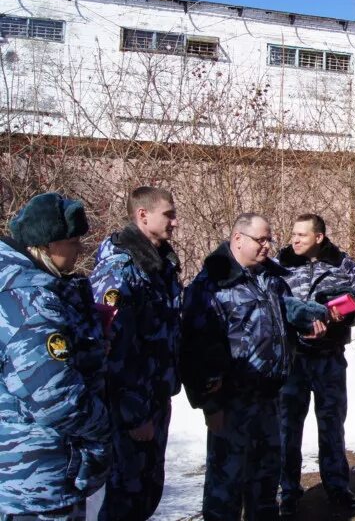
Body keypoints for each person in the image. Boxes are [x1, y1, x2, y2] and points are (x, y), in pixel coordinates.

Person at [180, 213, 331, 521]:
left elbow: (282, 319)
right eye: (260, 240)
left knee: (265, 488)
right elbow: (196, 350)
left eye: (269, 240)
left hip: (269, 399)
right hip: (232, 404)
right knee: (226, 491)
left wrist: (305, 327)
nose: (267, 246)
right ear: (238, 239)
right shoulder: (212, 285)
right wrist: (210, 404)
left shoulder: (271, 278)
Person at [0, 193, 110, 520]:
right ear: (51, 244)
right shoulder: (29, 295)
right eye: (74, 241)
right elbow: (56, 395)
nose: (80, 249)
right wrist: (104, 427)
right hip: (35, 479)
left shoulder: (30, 284)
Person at [89, 186, 181, 521]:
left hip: (155, 395)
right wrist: (133, 413)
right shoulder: (120, 268)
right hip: (133, 404)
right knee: (126, 496)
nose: (175, 221)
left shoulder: (160, 264)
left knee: (148, 490)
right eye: (168, 214)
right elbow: (112, 346)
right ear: (143, 216)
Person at [276, 214, 355, 517]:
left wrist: (341, 315)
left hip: (328, 359)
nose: (295, 240)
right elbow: (270, 304)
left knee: (331, 426)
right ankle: (289, 491)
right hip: (293, 359)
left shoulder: (343, 264)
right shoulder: (280, 264)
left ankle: (337, 488)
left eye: (302, 235)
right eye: (293, 234)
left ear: (319, 237)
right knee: (287, 427)